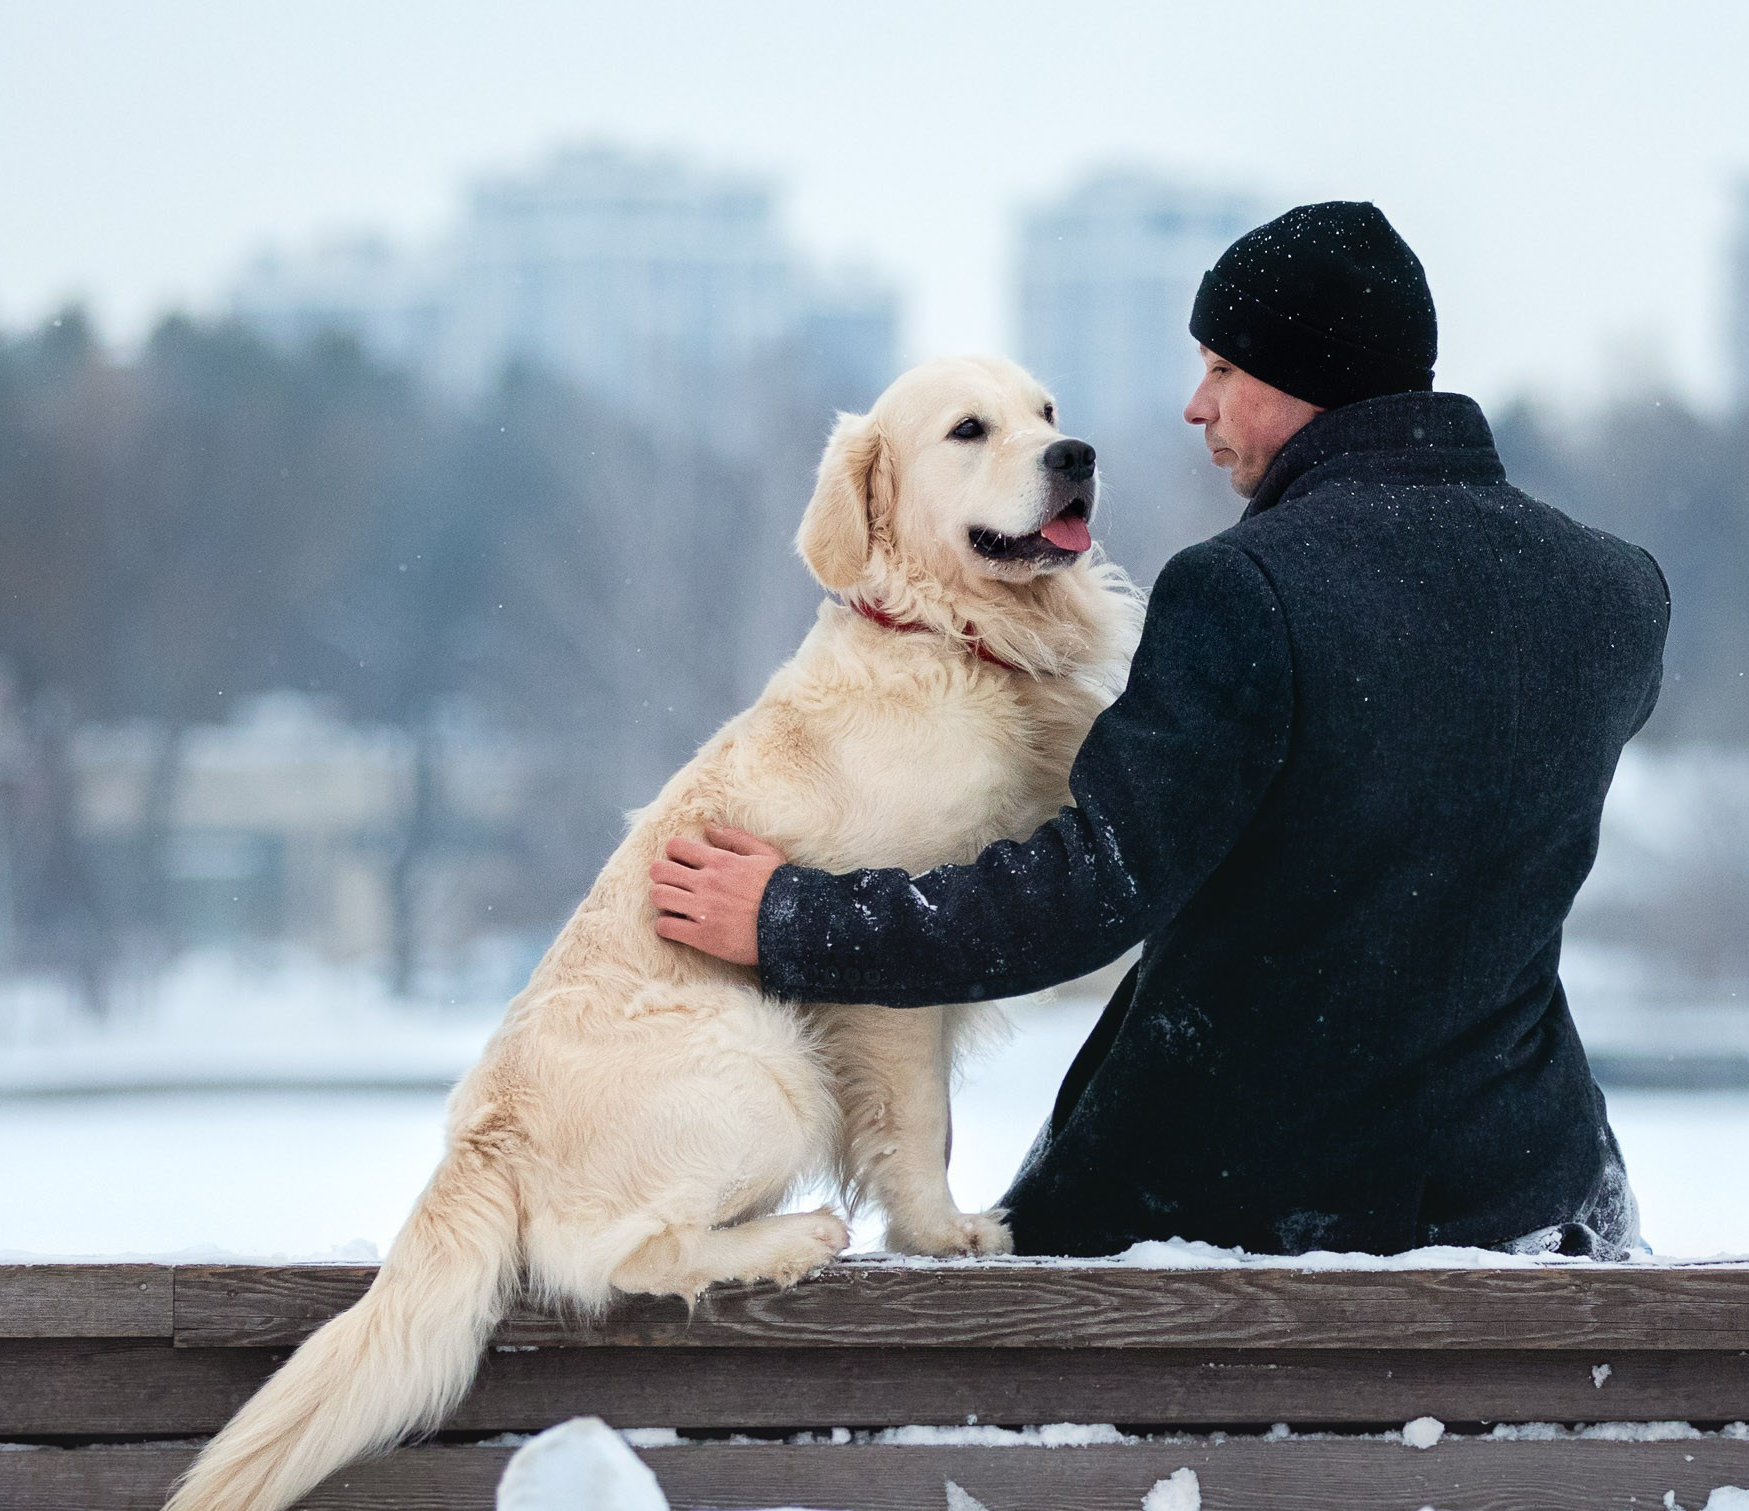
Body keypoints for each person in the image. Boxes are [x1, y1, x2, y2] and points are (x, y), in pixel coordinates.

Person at [650, 201, 1670, 1259]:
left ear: (1299, 377)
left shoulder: (1249, 592)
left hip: (1234, 1215)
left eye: (1223, 370)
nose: (1196, 406)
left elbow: (1085, 890)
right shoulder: (1616, 595)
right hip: (1535, 1202)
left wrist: (790, 921)